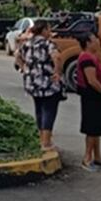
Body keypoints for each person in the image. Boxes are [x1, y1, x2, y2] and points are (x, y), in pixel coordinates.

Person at [15, 19, 62, 152]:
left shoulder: (27, 44)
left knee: (39, 109)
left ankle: (42, 139)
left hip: (32, 82)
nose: (50, 31)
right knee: (49, 110)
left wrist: (24, 68)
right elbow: (56, 57)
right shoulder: (48, 44)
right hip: (47, 82)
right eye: (49, 29)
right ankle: (46, 142)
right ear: (44, 30)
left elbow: (17, 56)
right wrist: (57, 72)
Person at [75, 33, 101, 171]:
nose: (97, 41)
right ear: (87, 43)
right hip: (92, 97)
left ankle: (97, 156)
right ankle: (87, 158)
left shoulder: (92, 56)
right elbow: (92, 80)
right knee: (91, 128)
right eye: (94, 40)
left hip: (97, 97)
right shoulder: (86, 58)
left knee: (97, 128)